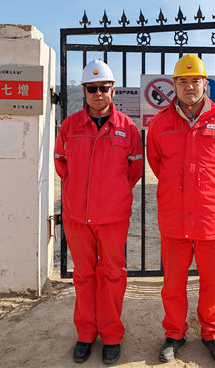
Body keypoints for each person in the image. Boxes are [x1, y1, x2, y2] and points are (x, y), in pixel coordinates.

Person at [147, 54, 215, 366]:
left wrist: (211, 188)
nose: (189, 87)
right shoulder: (159, 124)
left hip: (211, 217)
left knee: (212, 284)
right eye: (183, 81)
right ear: (174, 85)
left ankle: (212, 335)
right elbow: (157, 164)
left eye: (195, 81)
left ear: (206, 84)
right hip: (174, 218)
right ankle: (174, 334)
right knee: (173, 284)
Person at [54, 60, 143, 365]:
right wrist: (77, 190)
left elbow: (134, 170)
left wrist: (114, 193)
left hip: (113, 217)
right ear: (84, 91)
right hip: (77, 216)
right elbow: (61, 164)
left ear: (113, 90)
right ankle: (86, 333)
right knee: (83, 275)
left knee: (113, 275)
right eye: (92, 88)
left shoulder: (127, 128)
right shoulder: (70, 126)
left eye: (103, 87)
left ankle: (112, 334)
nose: (98, 93)